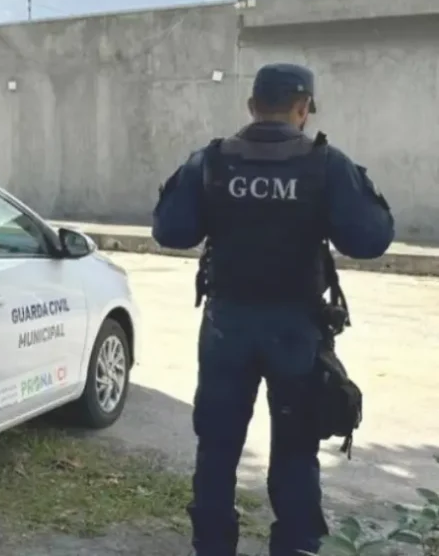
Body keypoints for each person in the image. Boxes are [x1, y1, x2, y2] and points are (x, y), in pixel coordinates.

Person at [151, 63, 395, 556]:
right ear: (303, 108)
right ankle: (298, 546)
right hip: (295, 330)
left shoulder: (211, 161)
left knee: (217, 447)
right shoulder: (326, 164)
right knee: (296, 450)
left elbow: (169, 231)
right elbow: (371, 239)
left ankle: (212, 546)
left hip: (227, 327)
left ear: (252, 106)